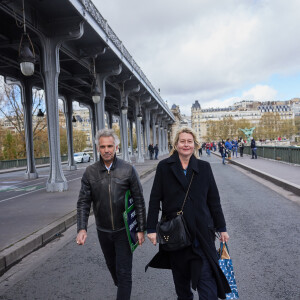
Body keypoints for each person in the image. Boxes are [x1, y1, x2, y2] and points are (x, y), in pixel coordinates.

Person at [146, 127, 231, 300]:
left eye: (189, 141)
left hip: (201, 234)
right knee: (182, 286)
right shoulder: (164, 167)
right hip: (177, 234)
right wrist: (151, 229)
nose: (186, 145)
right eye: (182, 141)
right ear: (176, 144)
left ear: (195, 145)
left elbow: (214, 201)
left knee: (208, 287)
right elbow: (155, 199)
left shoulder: (204, 167)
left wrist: (222, 228)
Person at [76, 129, 146, 300]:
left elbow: (139, 200)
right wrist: (82, 228)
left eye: (110, 146)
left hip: (124, 231)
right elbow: (84, 202)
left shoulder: (128, 170)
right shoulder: (90, 172)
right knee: (112, 267)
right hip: (103, 231)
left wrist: (141, 229)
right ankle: (121, 286)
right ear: (98, 148)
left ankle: (123, 289)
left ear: (116, 147)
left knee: (124, 272)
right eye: (103, 146)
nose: (106, 150)